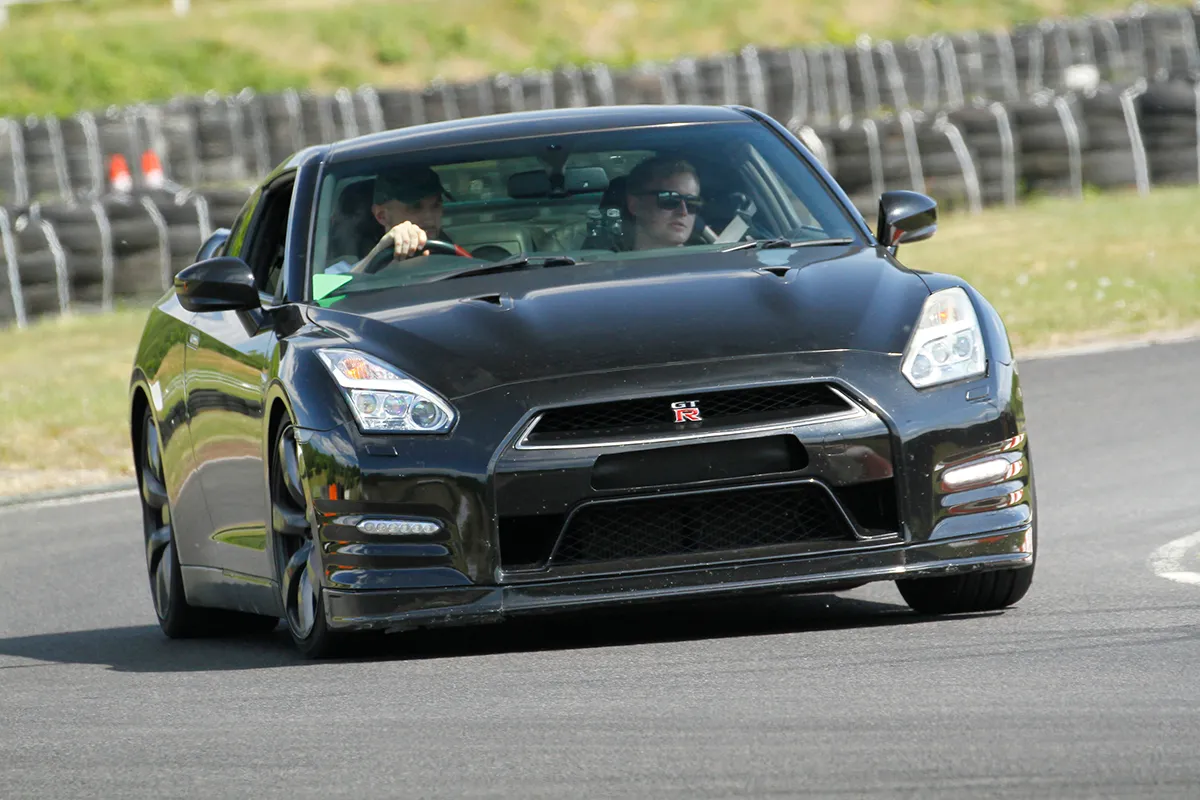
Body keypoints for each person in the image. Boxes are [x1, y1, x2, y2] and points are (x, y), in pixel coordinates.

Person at [325, 166, 454, 274]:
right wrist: (377, 254)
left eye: (436, 205)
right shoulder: (342, 271)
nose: (430, 217)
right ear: (382, 216)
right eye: (415, 207)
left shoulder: (455, 260)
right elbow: (322, 295)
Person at [623, 156, 704, 250]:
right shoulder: (609, 262)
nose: (683, 212)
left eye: (691, 203)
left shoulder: (710, 261)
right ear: (635, 205)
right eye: (670, 200)